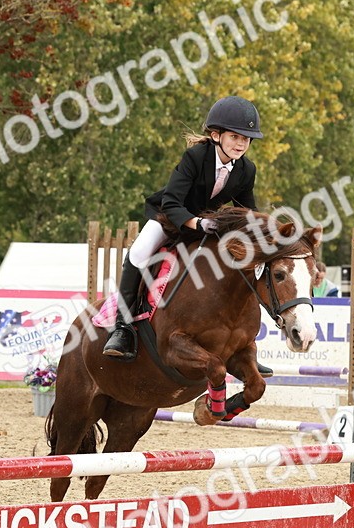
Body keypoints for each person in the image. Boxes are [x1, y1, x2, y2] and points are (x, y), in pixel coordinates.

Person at [103, 96, 264, 364]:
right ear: (216, 135)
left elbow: (247, 211)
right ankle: (123, 328)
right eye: (235, 136)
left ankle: (242, 344)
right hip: (171, 217)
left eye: (246, 139)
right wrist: (197, 223)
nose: (241, 144)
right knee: (139, 253)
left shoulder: (246, 169)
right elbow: (172, 202)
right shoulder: (195, 157)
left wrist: (261, 235)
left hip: (208, 225)